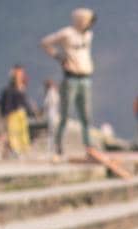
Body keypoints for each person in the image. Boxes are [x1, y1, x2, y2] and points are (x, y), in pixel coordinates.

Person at [41, 7, 96, 157]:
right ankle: (59, 145)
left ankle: (88, 147)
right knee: (65, 114)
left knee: (86, 115)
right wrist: (59, 56)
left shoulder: (89, 35)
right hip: (70, 78)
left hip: (85, 78)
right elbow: (45, 42)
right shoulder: (67, 33)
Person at [0, 66, 35, 158]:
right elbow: (6, 102)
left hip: (20, 112)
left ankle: (23, 150)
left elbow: (24, 102)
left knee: (22, 132)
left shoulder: (20, 89)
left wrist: (31, 112)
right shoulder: (9, 90)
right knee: (13, 133)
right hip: (12, 113)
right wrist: (5, 113)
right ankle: (15, 150)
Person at [42, 78, 61, 155]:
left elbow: (47, 104)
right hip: (54, 114)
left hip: (51, 114)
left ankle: (51, 148)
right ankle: (54, 148)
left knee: (51, 132)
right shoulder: (55, 92)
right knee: (53, 132)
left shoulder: (51, 92)